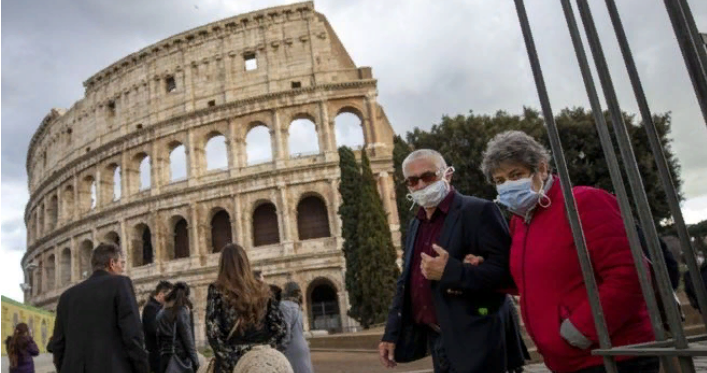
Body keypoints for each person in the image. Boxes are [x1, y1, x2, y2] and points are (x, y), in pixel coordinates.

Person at [477, 130, 656, 373]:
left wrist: (581, 330)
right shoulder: (520, 222)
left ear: (541, 169)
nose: (507, 185)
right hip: (565, 362)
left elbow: (629, 273)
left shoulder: (584, 202)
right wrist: (481, 268)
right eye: (499, 181)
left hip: (611, 356)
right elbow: (532, 280)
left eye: (515, 174)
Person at [379, 149, 525, 373]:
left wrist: (452, 271)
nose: (420, 185)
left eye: (428, 177)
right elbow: (406, 281)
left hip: (480, 339)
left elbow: (508, 274)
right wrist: (392, 332)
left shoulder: (478, 211)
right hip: (438, 339)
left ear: (447, 175)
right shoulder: (416, 223)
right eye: (412, 180)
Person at [52, 242, 149, 373]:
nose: (122, 268)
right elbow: (133, 335)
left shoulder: (66, 297)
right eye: (121, 263)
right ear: (112, 263)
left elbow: (58, 344)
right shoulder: (120, 284)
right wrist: (142, 368)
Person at [206, 243, 288, 373]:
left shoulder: (218, 290)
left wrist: (233, 362)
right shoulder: (264, 289)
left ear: (223, 265)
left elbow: (213, 333)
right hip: (262, 364)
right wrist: (266, 354)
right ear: (245, 262)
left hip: (232, 363)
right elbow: (281, 329)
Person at [156, 282, 199, 373]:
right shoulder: (181, 311)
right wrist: (195, 361)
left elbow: (158, 337)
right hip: (179, 359)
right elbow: (187, 338)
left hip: (164, 358)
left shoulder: (161, 312)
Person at [279, 282, 313, 373]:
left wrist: (281, 347)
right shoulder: (297, 306)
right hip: (303, 345)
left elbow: (287, 330)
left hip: (292, 347)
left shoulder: (284, 305)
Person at [143, 280, 174, 372]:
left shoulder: (159, 307)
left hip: (163, 353)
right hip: (157, 355)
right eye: (168, 296)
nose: (169, 299)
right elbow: (154, 329)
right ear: (160, 294)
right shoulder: (150, 307)